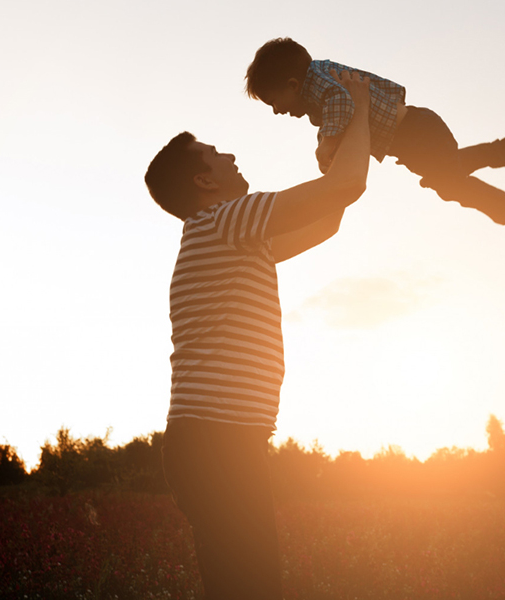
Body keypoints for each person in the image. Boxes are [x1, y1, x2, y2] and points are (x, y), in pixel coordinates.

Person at [143, 71, 373, 599]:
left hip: (225, 441)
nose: (229, 157)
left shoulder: (239, 237)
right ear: (204, 182)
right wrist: (359, 109)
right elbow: (347, 188)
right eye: (215, 154)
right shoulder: (226, 221)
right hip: (215, 442)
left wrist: (338, 146)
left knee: (249, 586)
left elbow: (329, 215)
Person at [245, 37, 505, 251]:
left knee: (448, 183)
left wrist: (326, 144)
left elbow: (342, 102)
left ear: (293, 85)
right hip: (413, 136)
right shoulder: (320, 84)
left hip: (416, 132)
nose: (276, 110)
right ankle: (500, 155)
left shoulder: (320, 85)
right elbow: (339, 110)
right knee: (447, 177)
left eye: (273, 102)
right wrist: (326, 142)